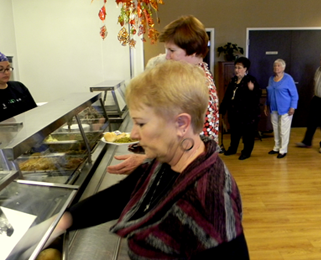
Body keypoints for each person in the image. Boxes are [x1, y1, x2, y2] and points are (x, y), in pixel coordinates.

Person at [51, 61, 250, 259]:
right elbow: (125, 193)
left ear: (181, 123)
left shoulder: (210, 202)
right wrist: (63, 221)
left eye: (141, 123)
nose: (134, 134)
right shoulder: (169, 158)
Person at [107, 15, 219, 174]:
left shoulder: (194, 86)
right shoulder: (196, 75)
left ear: (193, 51)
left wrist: (147, 161)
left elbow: (189, 147)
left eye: (172, 51)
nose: (167, 56)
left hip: (189, 173)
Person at [219, 57, 261, 160]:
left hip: (247, 114)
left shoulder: (250, 80)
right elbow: (228, 96)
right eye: (236, 67)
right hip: (234, 112)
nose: (237, 70)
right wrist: (222, 109)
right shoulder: (233, 81)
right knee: (234, 132)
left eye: (239, 68)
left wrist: (252, 90)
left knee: (247, 134)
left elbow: (257, 97)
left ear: (246, 69)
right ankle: (233, 149)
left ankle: (246, 152)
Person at [264, 59, 299, 159]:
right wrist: (266, 105)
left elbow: (294, 95)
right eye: (275, 66)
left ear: (283, 68)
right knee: (275, 128)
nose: (276, 68)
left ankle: (283, 150)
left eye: (279, 66)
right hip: (273, 108)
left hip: (286, 108)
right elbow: (269, 93)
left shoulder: (288, 79)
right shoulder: (271, 78)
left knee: (283, 130)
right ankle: (276, 147)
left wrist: (293, 107)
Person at [0, 52, 37, 122]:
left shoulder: (19, 87)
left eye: (8, 69)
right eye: (0, 70)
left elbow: (33, 113)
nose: (6, 73)